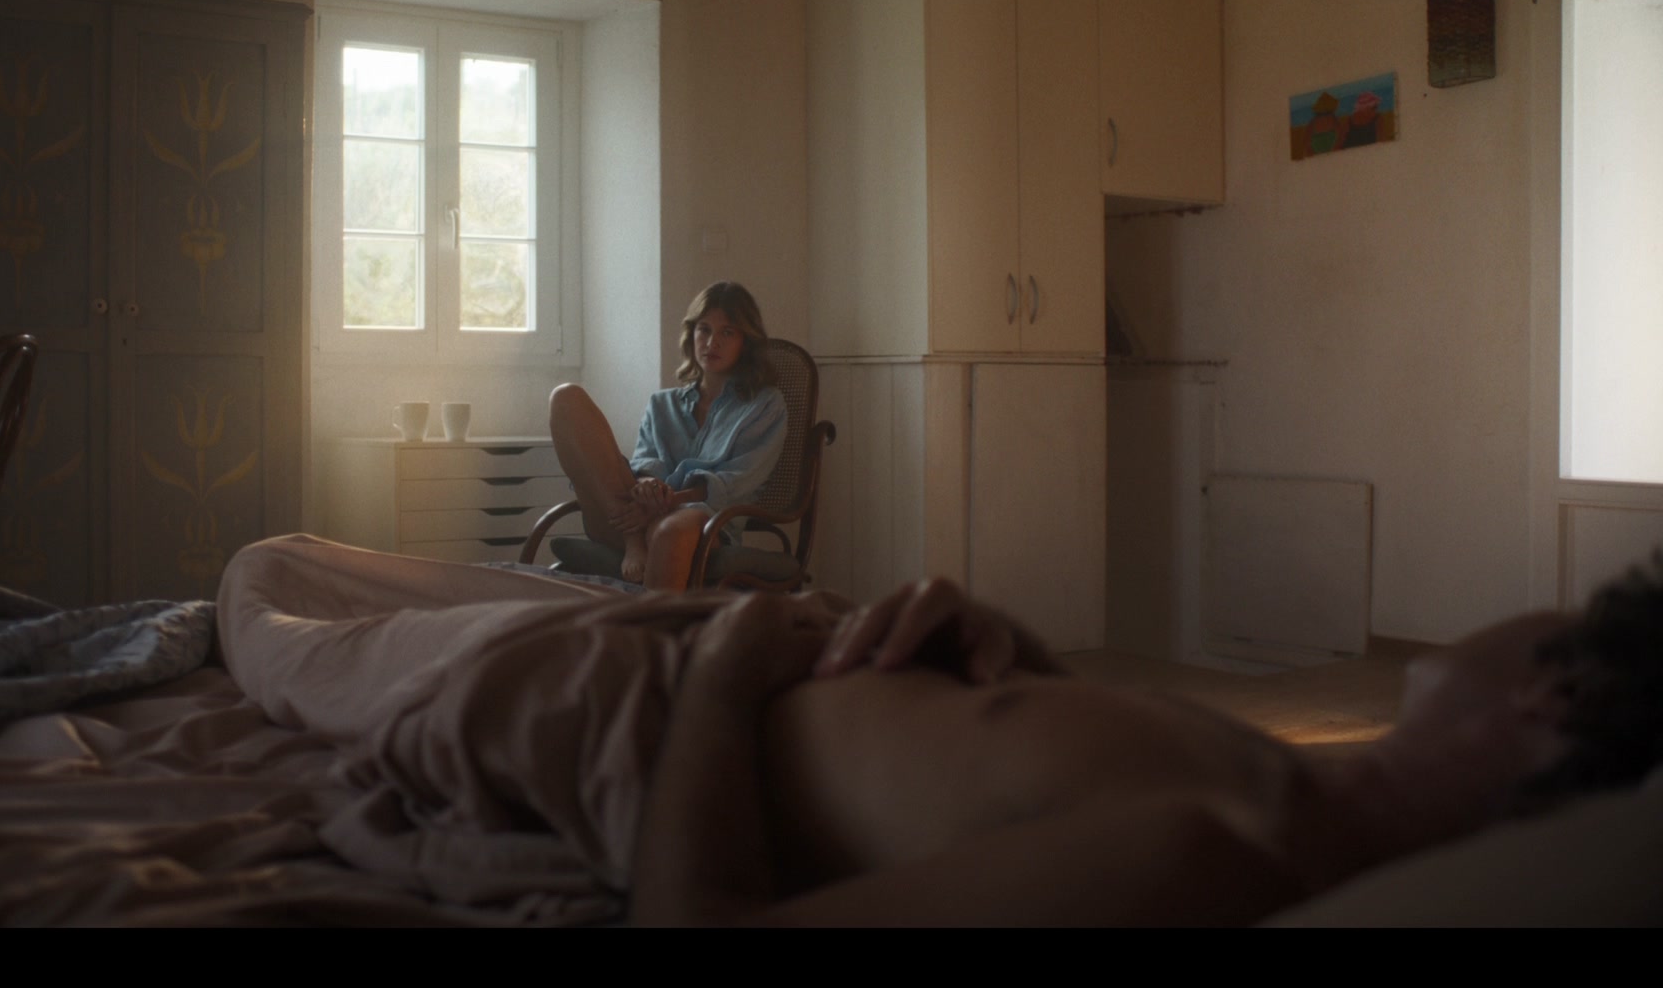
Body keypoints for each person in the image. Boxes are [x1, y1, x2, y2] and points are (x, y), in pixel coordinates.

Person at [217, 535, 1663, 927]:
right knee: (333, 567)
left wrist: (724, 669)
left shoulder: (1222, 851)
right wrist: (1003, 654)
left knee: (268, 590)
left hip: (635, 707)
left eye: (1564, 611)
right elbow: (1022, 782)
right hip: (702, 654)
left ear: (1553, 692)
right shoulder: (1294, 782)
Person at [547, 282, 788, 590]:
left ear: (746, 341)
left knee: (670, 529)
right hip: (628, 516)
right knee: (566, 397)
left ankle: (647, 618)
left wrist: (668, 500)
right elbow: (644, 463)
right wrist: (648, 486)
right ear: (692, 334)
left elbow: (737, 480)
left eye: (727, 332)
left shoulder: (764, 405)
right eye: (704, 329)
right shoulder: (662, 404)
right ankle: (633, 539)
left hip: (703, 520)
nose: (711, 342)